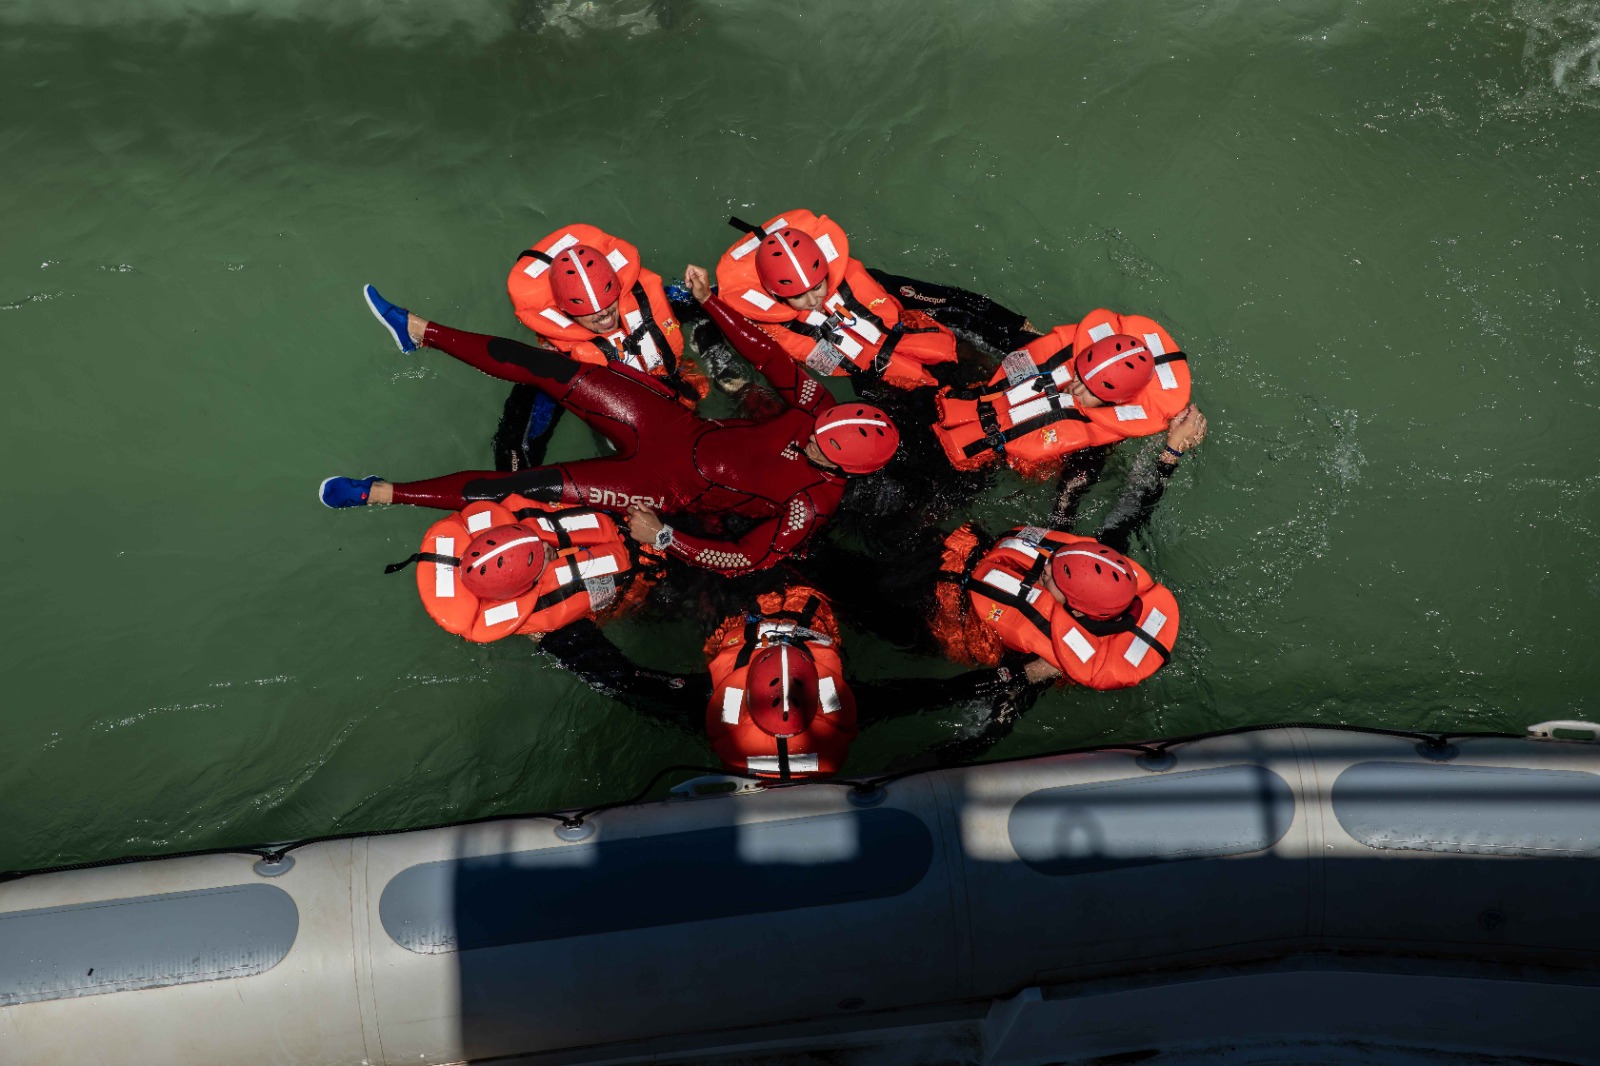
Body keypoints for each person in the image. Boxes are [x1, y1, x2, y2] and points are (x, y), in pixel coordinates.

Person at [321, 269, 900, 576]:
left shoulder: (810, 504)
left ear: (839, 465)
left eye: (822, 445)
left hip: (660, 487)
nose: (816, 431)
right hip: (667, 424)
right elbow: (770, 356)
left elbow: (750, 557)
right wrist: (713, 304)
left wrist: (667, 537)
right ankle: (419, 331)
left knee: (524, 488)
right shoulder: (816, 405)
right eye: (824, 425)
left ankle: (381, 494)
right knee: (547, 367)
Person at [806, 406, 1208, 686]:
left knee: (815, 567)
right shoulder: (1098, 572)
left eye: (1054, 572)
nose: (1047, 562)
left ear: (1075, 608)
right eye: (1059, 558)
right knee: (885, 506)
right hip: (952, 555)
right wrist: (1171, 452)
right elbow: (1131, 513)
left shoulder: (1050, 659)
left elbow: (991, 702)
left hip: (933, 620)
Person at [540, 579, 1042, 780]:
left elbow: (619, 678)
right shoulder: (849, 709)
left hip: (726, 600)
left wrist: (547, 626)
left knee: (665, 603)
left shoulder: (706, 704)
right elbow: (941, 691)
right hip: (799, 588)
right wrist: (1028, 671)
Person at [715, 209, 1011, 391]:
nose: (812, 300)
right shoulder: (768, 324)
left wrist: (1014, 324)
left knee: (975, 362)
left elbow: (949, 298)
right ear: (775, 295)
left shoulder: (860, 278)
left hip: (915, 337)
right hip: (878, 382)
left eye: (818, 287)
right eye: (798, 297)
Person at [493, 225, 705, 467]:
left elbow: (712, 307)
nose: (605, 315)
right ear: (565, 313)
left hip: (684, 393)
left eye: (609, 301)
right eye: (590, 311)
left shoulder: (645, 297)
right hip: (633, 441)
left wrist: (705, 297)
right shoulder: (557, 361)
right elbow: (514, 443)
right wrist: (524, 494)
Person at [932, 308, 1192, 481]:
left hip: (964, 458)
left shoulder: (1088, 454)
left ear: (1119, 403)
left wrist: (1171, 451)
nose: (1075, 389)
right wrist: (1171, 456)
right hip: (958, 440)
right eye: (1079, 374)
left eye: (1092, 391)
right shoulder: (1089, 456)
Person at [380, 493, 661, 644]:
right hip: (646, 575)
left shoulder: (516, 514)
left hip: (628, 528)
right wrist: (660, 539)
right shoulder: (541, 624)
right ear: (525, 588)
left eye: (537, 540)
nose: (547, 546)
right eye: (541, 557)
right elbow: (613, 597)